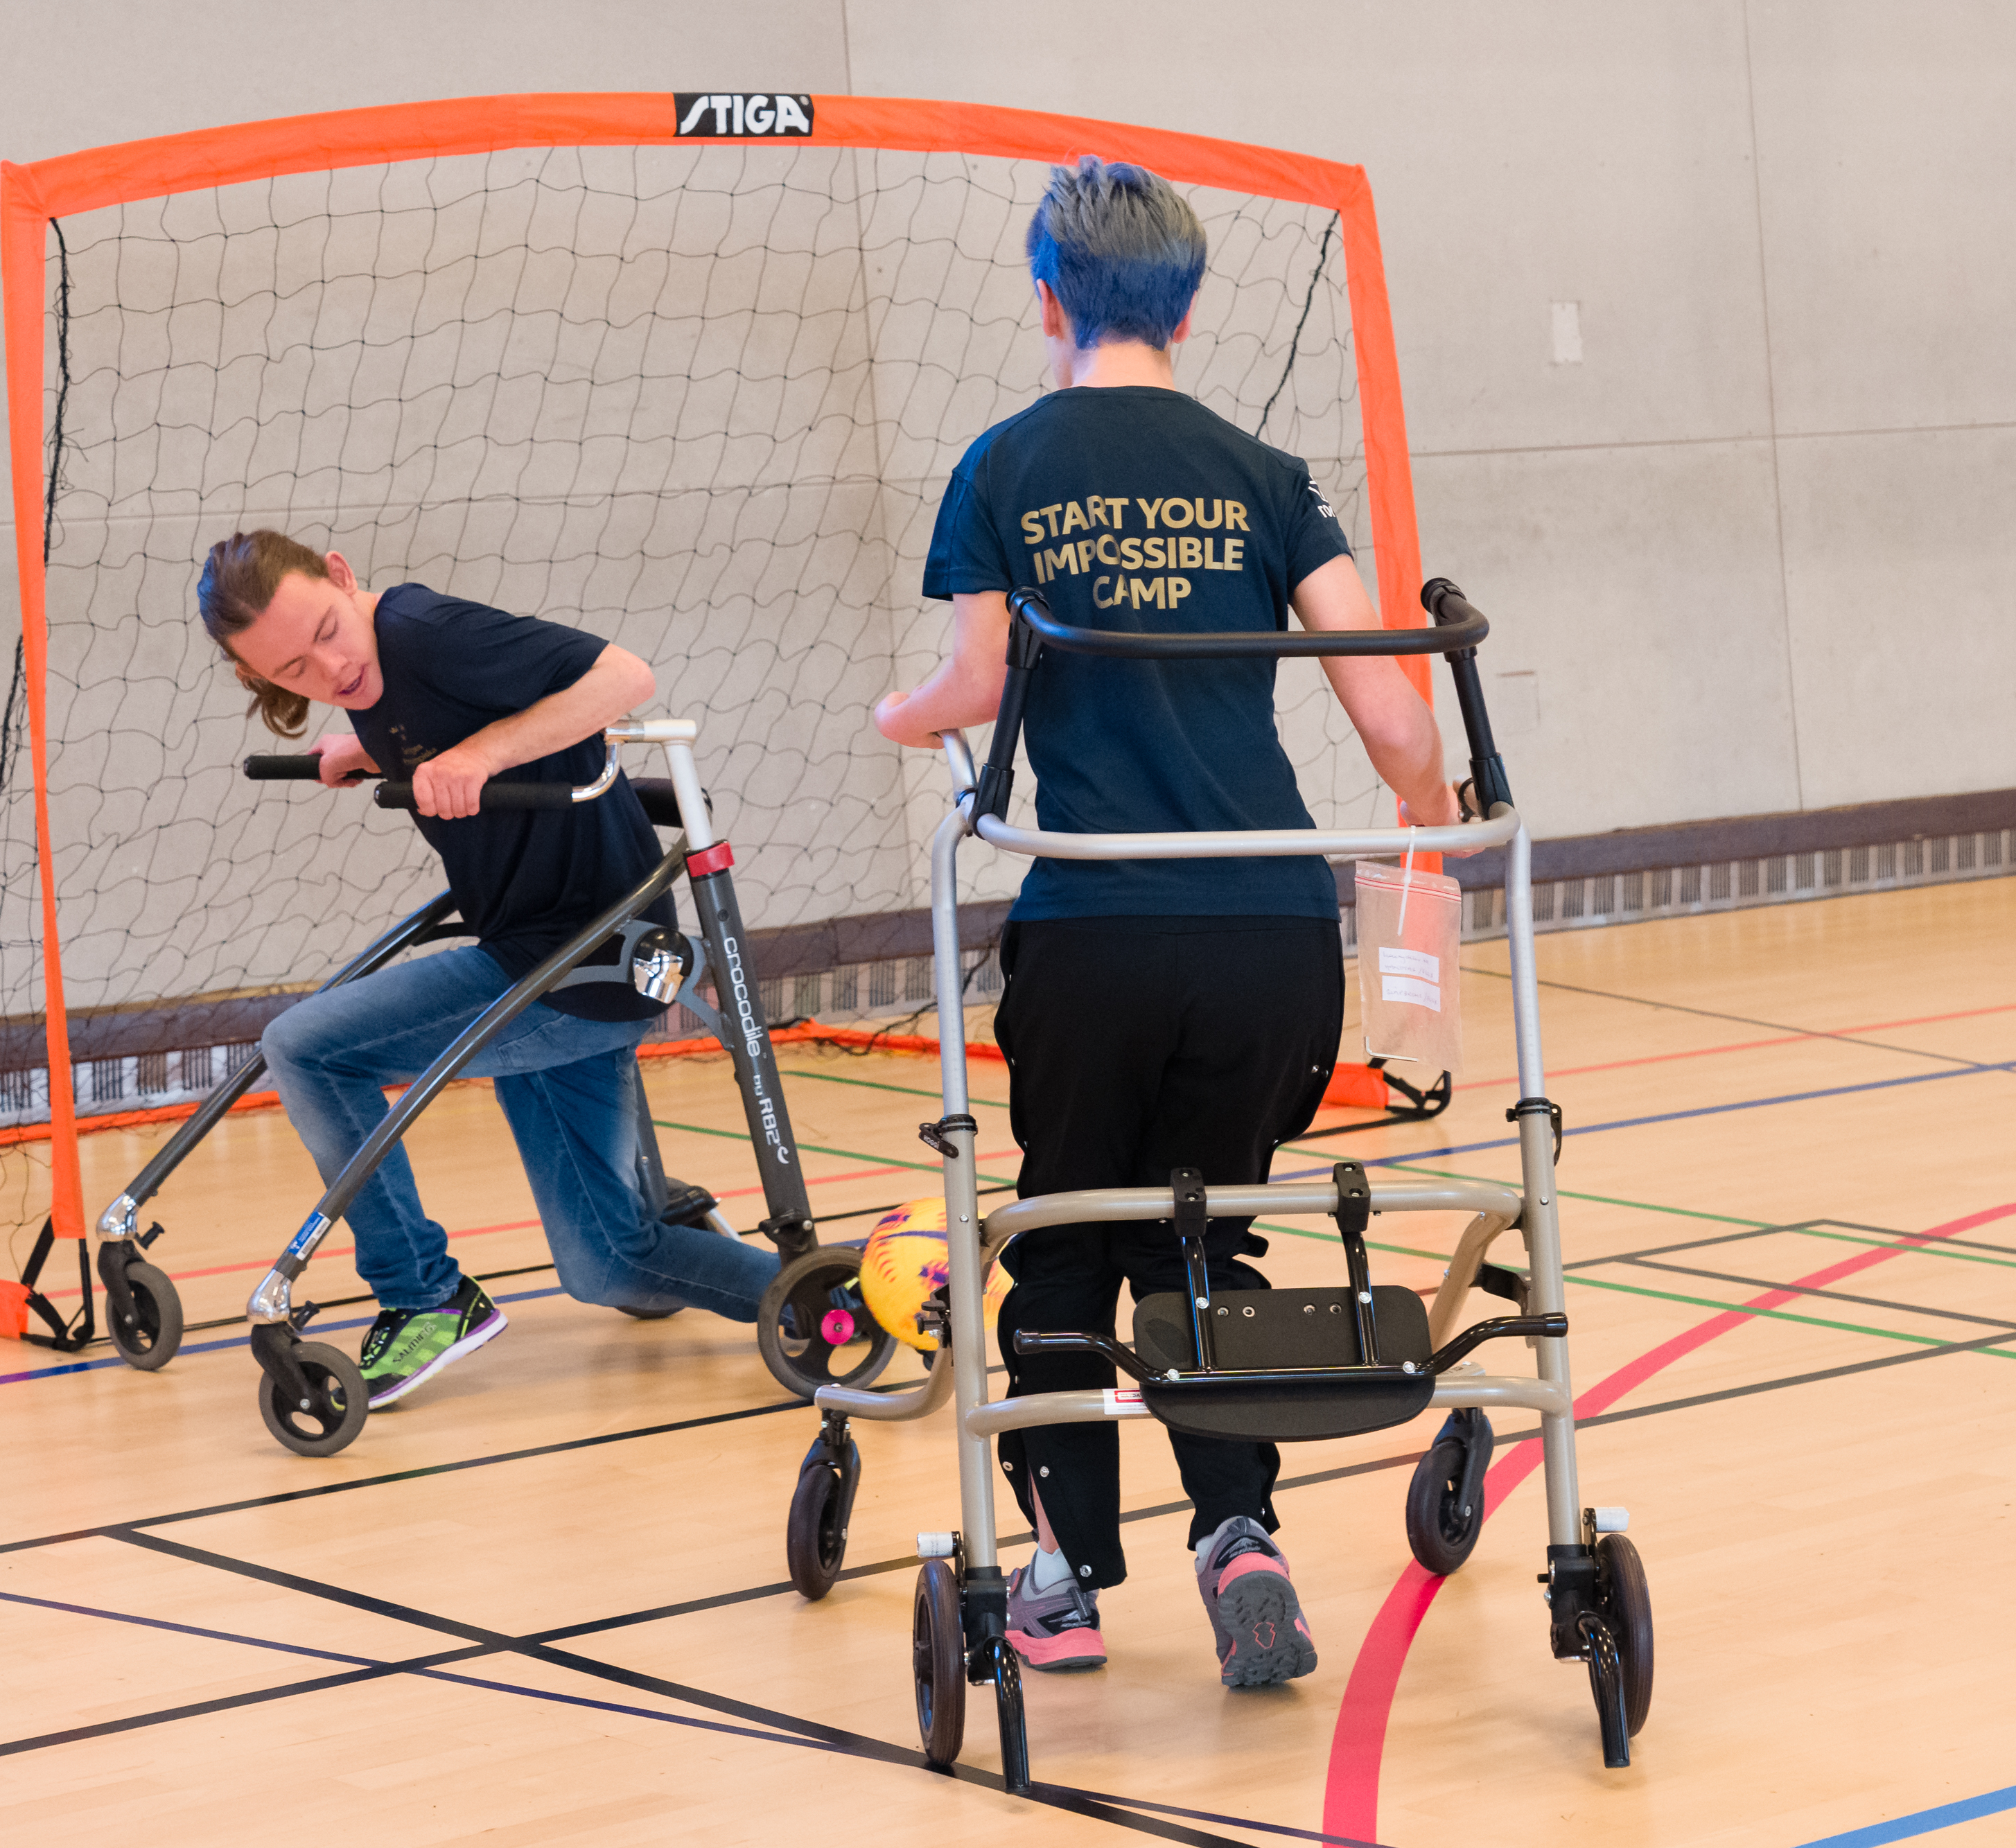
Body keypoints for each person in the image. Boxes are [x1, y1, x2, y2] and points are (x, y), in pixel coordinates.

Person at [873, 159, 1462, 1685]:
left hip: (1099, 931)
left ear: (1046, 297)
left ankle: (1063, 1577)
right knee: (1208, 1226)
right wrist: (1428, 803)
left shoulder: (1001, 464)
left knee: (1064, 1237)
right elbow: (1392, 714)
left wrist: (901, 713)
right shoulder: (1266, 475)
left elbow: (978, 685)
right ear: (1189, 308)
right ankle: (1239, 1535)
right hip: (1269, 927)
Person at [197, 530, 780, 1407]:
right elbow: (436, 716)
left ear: (344, 577)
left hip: (581, 955)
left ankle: (423, 1297)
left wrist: (480, 757)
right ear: (259, 677)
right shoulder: (370, 678)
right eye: (293, 671)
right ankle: (825, 1302)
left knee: (309, 1048)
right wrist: (362, 749)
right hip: (553, 962)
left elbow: (626, 679)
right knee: (608, 1264)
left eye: (326, 630)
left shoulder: (425, 630)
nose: (329, 668)